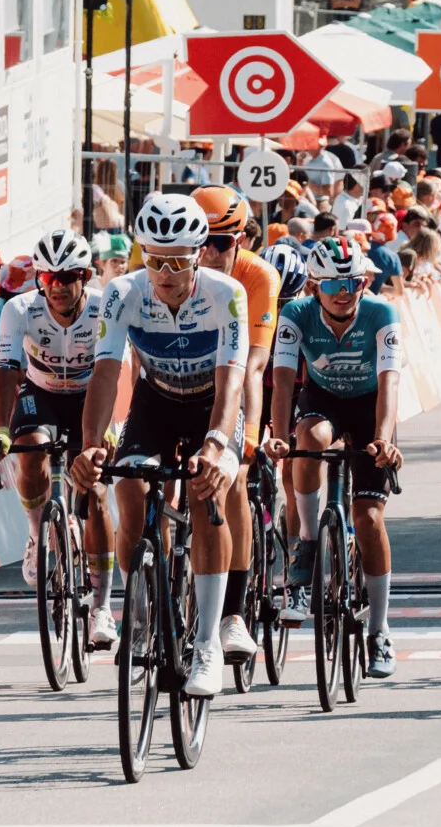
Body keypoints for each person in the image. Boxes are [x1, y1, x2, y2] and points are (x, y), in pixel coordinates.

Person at [71, 192, 247, 701]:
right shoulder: (121, 293)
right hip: (157, 400)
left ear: (198, 254)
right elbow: (105, 373)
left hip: (211, 404)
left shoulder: (226, 293)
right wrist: (90, 445)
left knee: (203, 494)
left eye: (175, 260)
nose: (163, 271)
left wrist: (215, 446)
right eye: (153, 258)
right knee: (127, 488)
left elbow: (232, 379)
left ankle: (209, 642)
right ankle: (142, 610)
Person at [268, 236, 404, 677]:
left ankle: (380, 630)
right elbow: (285, 379)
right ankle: (307, 542)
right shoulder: (296, 314)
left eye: (353, 282)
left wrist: (384, 438)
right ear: (314, 287)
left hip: (370, 408)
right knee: (308, 436)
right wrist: (278, 434)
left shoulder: (381, 313)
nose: (345, 291)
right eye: (333, 285)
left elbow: (390, 382)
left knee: (368, 520)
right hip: (323, 399)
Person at [0, 229, 116, 647]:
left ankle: (100, 606)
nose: (57, 287)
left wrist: (107, 429)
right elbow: (7, 371)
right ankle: (36, 532)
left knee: (94, 492)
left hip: (90, 395)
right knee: (28, 452)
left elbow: (117, 372)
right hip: (40, 392)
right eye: (47, 279)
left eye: (67, 277)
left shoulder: (103, 308)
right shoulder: (19, 309)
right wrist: (2, 431)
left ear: (86, 276)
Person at [190, 186, 282, 669]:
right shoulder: (176, 268)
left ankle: (232, 615)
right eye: (198, 240)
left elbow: (252, 365)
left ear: (242, 240)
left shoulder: (257, 277)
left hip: (234, 383)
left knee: (236, 480)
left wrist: (246, 436)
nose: (206, 253)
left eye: (220, 243)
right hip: (179, 381)